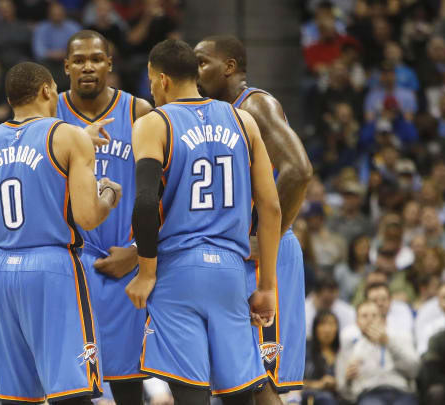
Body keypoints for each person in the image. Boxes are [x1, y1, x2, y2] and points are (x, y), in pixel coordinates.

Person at [127, 39, 281, 405]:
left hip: (177, 270)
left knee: (190, 395)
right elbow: (271, 207)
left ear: (162, 80)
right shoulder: (243, 120)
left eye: (150, 81)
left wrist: (146, 272)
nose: (151, 88)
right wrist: (267, 286)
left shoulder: (155, 122)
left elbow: (146, 202)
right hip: (229, 270)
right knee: (240, 395)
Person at [0, 61, 122, 404]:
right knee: (72, 390)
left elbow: (26, 163)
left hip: (3, 267)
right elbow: (87, 217)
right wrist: (109, 194)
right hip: (53, 266)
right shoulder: (66, 135)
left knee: (14, 396)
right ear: (46, 89)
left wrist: (79, 141)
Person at [195, 35, 313, 404]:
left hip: (264, 257)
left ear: (229, 67)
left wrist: (267, 240)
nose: (194, 72)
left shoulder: (256, 105)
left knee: (263, 383)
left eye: (202, 63)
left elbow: (298, 170)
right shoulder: (217, 115)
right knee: (239, 382)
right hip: (236, 256)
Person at [56, 30, 153, 405]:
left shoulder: (138, 112)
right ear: (66, 66)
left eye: (96, 58)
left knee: (129, 384)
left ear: (110, 64)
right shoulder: (52, 116)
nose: (87, 67)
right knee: (69, 385)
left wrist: (137, 251)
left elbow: (164, 193)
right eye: (78, 60)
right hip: (71, 264)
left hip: (125, 264)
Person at [335, 301, 419, 405]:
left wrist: (389, 343)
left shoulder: (401, 339)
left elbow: (414, 370)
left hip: (401, 391)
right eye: (364, 316)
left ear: (382, 320)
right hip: (369, 394)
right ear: (357, 322)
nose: (370, 320)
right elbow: (343, 392)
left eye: (374, 315)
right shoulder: (349, 348)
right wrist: (347, 380)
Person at [303, 310, 340, 405]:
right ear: (315, 328)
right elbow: (293, 382)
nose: (327, 329)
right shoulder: (305, 350)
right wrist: (319, 384)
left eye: (331, 324)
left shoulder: (342, 351)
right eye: (322, 324)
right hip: (312, 397)